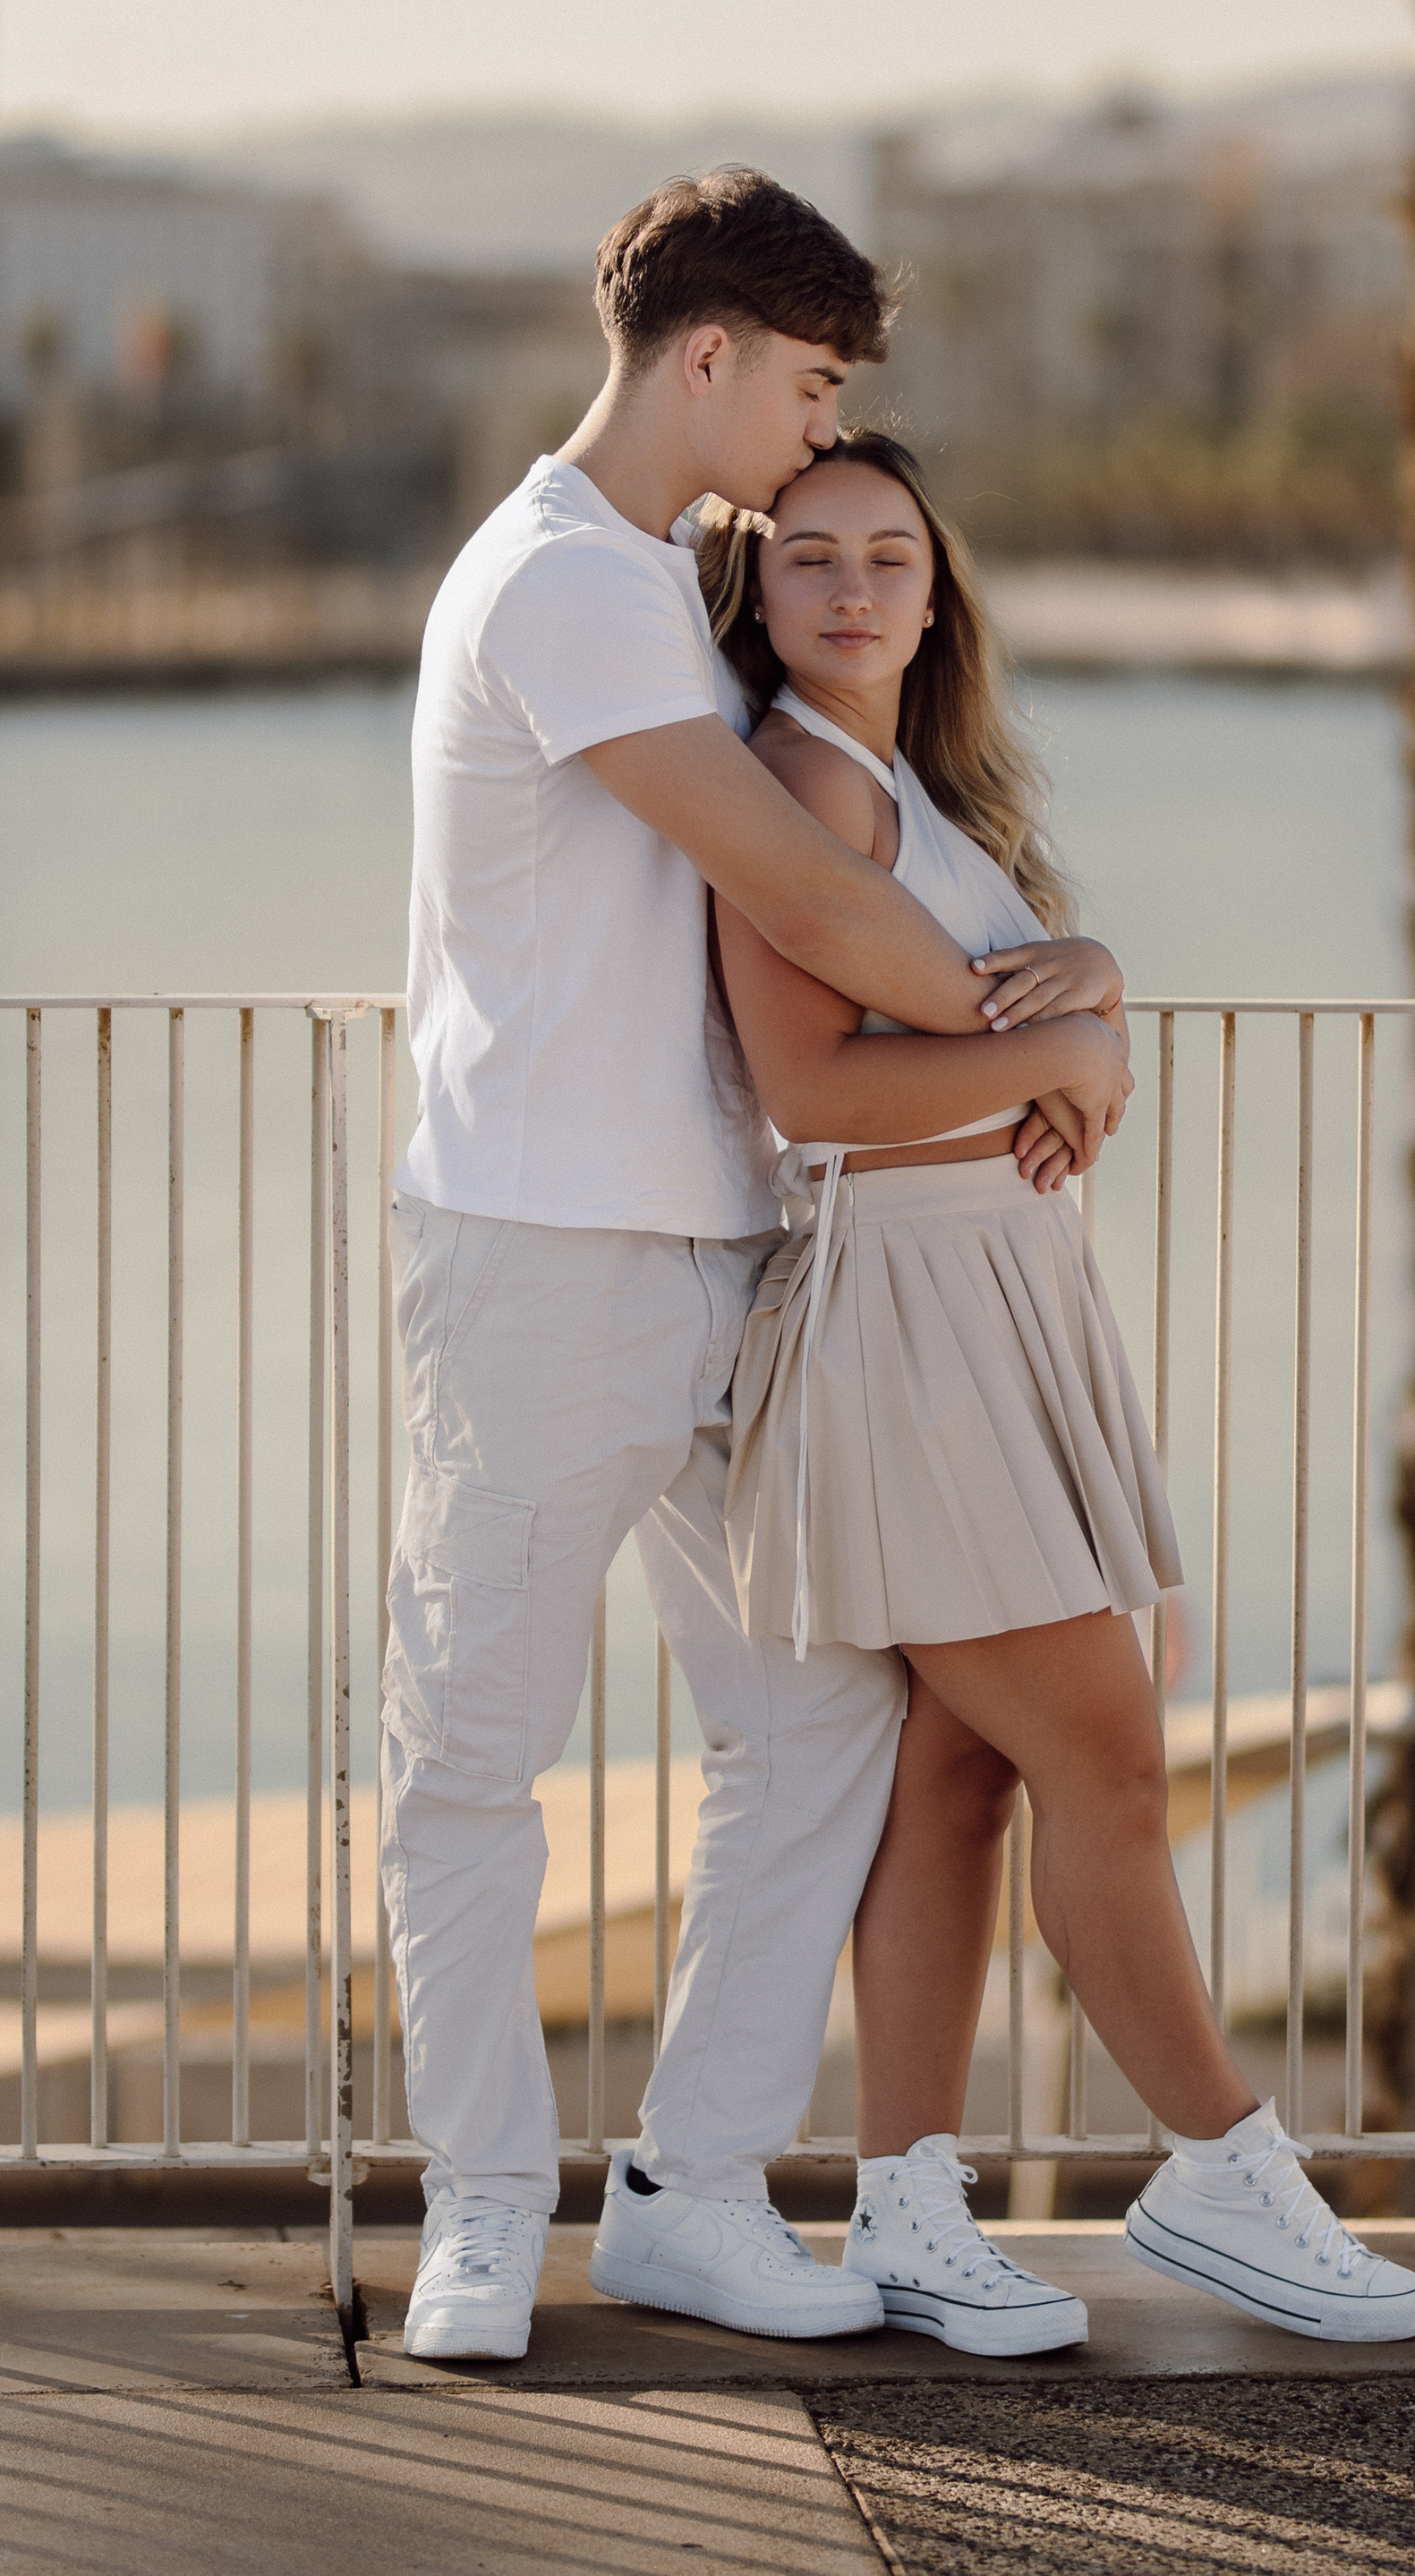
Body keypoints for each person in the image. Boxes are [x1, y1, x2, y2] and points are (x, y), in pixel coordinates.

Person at [383, 168, 1133, 2364]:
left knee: (814, 1724)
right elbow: (799, 901)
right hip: (541, 1254)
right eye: (805, 388)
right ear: (704, 358)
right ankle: (483, 2210)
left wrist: (1035, 972)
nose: (818, 440)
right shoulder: (563, 588)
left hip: (733, 1250)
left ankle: (693, 2193)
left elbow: (856, 850)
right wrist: (1057, 1033)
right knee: (471, 1750)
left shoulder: (655, 578)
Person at [699, 427, 1415, 2356]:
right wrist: (1079, 1048)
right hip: (915, 1319)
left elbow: (1000, 1007)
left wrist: (1084, 984)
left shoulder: (907, 789)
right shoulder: (799, 786)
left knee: (955, 1783)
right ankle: (1218, 2168)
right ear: (756, 602)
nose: (852, 589)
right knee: (1103, 1750)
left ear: (936, 593)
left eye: (886, 556)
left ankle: (907, 2212)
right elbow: (815, 1097)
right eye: (809, 561)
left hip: (991, 1300)